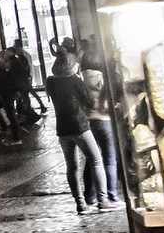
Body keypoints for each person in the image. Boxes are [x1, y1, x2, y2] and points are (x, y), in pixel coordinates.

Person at [46, 52, 108, 211]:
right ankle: (103, 200)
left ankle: (80, 204)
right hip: (79, 126)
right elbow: (87, 100)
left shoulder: (51, 82)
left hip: (62, 129)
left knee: (72, 166)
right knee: (96, 160)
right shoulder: (74, 81)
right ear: (72, 65)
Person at [86, 60, 126, 208]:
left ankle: (90, 197)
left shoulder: (81, 79)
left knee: (92, 159)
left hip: (90, 121)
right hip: (105, 120)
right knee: (110, 160)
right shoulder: (107, 79)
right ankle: (112, 195)